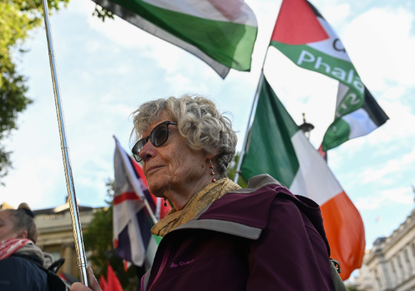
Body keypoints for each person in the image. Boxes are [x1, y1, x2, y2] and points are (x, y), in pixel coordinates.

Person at [72, 95, 336, 291]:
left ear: (209, 145)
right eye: (141, 144)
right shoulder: (156, 268)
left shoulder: (268, 212)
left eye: (160, 134)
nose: (143, 152)